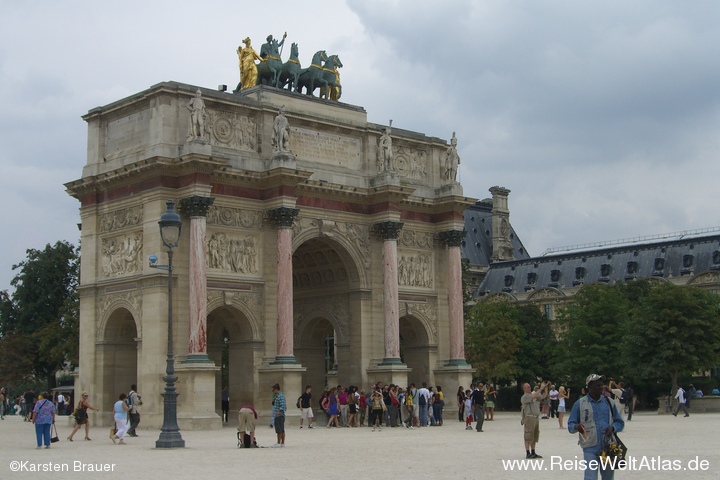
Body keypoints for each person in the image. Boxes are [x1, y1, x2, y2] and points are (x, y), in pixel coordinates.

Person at [567, 374, 625, 480]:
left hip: (608, 447)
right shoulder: (580, 404)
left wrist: (613, 428)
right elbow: (570, 425)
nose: (601, 387)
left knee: (608, 478)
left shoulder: (609, 402)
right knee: (590, 477)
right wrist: (576, 427)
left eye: (602, 385)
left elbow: (620, 423)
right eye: (597, 385)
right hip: (590, 447)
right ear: (589, 387)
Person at [520, 383, 542, 459]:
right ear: (524, 389)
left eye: (530, 387)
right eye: (528, 387)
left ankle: (533, 451)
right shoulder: (524, 397)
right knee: (528, 435)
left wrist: (546, 389)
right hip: (529, 417)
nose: (529, 388)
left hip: (535, 417)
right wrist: (541, 388)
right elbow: (534, 396)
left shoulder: (533, 396)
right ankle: (527, 452)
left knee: (534, 435)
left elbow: (542, 397)